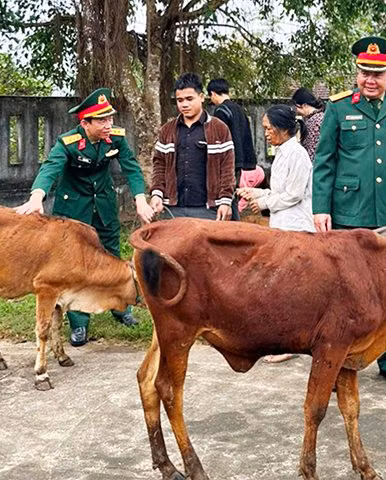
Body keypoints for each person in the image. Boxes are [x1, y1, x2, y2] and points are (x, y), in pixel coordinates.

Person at [312, 36, 386, 389]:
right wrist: (320, 208)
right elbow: (325, 161)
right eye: (364, 73)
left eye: (378, 74)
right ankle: (338, 358)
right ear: (357, 73)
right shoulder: (339, 108)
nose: (370, 80)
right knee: (344, 291)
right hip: (348, 212)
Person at [15, 87, 154, 347]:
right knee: (74, 266)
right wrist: (37, 196)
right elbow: (50, 168)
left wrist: (139, 199)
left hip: (103, 206)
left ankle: (121, 307)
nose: (109, 125)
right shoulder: (67, 143)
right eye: (102, 120)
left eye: (110, 119)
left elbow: (132, 167)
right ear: (85, 122)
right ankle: (79, 323)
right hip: (73, 211)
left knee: (112, 256)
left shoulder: (115, 139)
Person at [238, 104, 315, 363]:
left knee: (292, 291)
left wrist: (263, 203)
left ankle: (293, 343)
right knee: (283, 289)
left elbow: (293, 195)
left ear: (283, 129)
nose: (267, 133)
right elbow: (279, 191)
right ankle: (285, 340)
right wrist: (255, 193)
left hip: (296, 229)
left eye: (269, 129)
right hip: (282, 227)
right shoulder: (282, 152)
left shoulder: (298, 154)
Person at [149, 73, 235, 221]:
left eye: (189, 99)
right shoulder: (167, 130)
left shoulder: (219, 129)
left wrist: (225, 201)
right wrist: (157, 193)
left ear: (201, 97)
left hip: (208, 209)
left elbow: (227, 168)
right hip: (173, 209)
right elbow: (159, 165)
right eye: (180, 100)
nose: (184, 105)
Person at [207, 78, 257, 220]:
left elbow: (218, 138)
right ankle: (235, 225)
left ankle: (232, 227)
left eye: (211, 97)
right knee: (232, 194)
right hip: (239, 160)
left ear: (213, 93)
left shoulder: (221, 111)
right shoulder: (239, 110)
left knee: (225, 196)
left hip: (227, 160)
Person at [291, 87, 325, 161]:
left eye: (296, 107)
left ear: (305, 105)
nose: (296, 111)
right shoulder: (320, 117)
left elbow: (312, 152)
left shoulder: (315, 121)